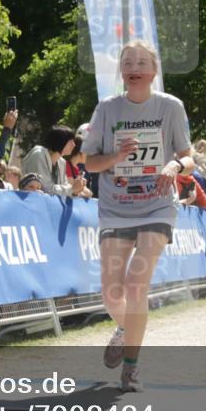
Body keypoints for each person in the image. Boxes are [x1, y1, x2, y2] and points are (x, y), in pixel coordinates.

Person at [83, 41, 193, 392]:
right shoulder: (106, 109)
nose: (134, 68)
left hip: (157, 205)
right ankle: (125, 329)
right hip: (116, 208)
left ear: (154, 70)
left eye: (142, 62)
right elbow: (89, 163)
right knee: (112, 293)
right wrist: (116, 158)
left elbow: (189, 156)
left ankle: (130, 369)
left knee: (135, 285)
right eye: (128, 62)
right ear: (121, 70)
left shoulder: (170, 106)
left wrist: (175, 166)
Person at [21, 125, 86, 197]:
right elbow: (45, 188)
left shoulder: (62, 162)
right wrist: (72, 189)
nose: (74, 145)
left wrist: (76, 190)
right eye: (70, 141)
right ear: (60, 141)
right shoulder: (39, 154)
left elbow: (64, 188)